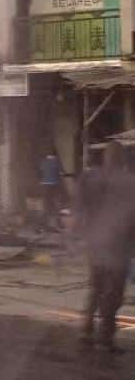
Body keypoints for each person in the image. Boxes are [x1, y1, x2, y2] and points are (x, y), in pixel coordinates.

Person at [76, 142, 135, 353]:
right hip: (118, 243)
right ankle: (105, 337)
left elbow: (80, 209)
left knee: (96, 285)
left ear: (105, 157)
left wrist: (81, 234)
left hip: (95, 241)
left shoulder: (89, 177)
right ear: (122, 159)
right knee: (114, 292)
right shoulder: (129, 182)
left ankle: (86, 328)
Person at [39, 151, 65, 230]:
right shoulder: (56, 161)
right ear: (55, 155)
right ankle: (58, 224)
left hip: (44, 186)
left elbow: (41, 172)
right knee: (57, 204)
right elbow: (62, 173)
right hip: (54, 185)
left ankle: (44, 224)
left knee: (46, 205)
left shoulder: (43, 161)